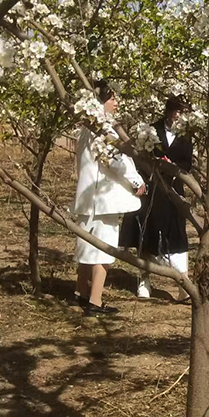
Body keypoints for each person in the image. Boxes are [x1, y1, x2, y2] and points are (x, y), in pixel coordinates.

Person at [72, 81, 146, 317]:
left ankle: (81, 293)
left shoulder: (85, 130)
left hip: (88, 198)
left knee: (86, 247)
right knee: (102, 251)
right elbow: (115, 161)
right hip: (102, 200)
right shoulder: (102, 130)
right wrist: (137, 181)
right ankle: (95, 301)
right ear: (100, 102)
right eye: (112, 99)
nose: (117, 103)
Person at [120, 95, 193, 301]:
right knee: (147, 233)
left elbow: (187, 163)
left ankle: (183, 283)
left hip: (174, 189)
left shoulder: (187, 134)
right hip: (152, 188)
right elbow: (140, 157)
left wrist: (173, 167)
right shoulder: (151, 131)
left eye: (182, 112)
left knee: (177, 234)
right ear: (168, 111)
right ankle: (144, 280)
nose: (178, 116)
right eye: (176, 111)